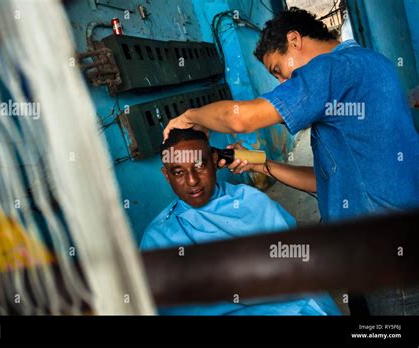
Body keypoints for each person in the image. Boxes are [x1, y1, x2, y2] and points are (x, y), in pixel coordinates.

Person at [162, 7, 419, 315]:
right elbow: (328, 181)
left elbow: (241, 119)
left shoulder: (335, 68)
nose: (283, 83)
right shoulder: (371, 65)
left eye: (278, 70)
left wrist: (191, 117)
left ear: (294, 40)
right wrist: (264, 166)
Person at [140, 128, 341, 316]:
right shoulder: (158, 237)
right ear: (167, 176)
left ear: (214, 161)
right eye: (178, 172)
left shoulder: (250, 200)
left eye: (200, 166)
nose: (192, 180)